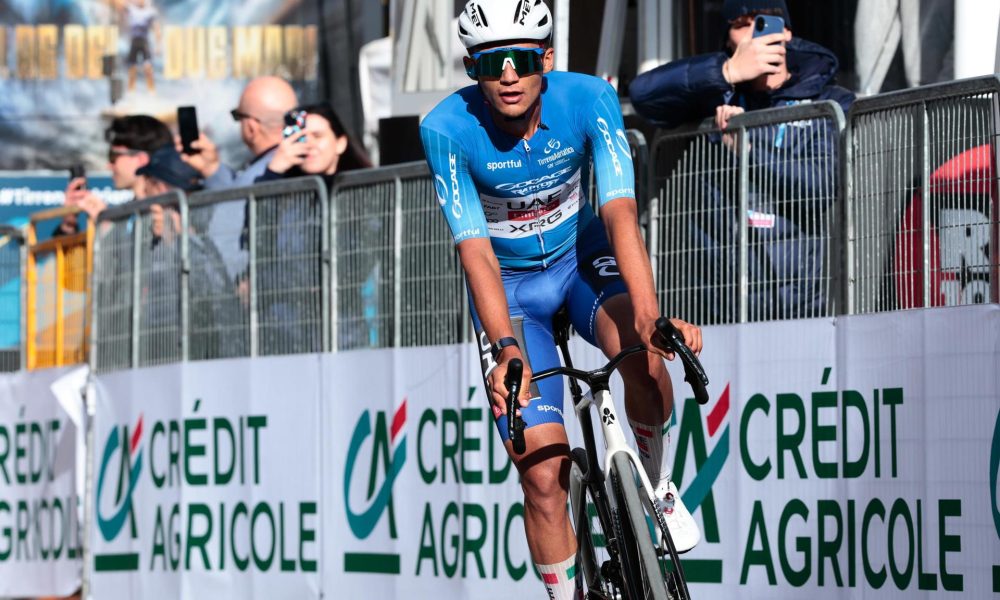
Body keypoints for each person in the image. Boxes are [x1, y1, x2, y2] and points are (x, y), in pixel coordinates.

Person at [420, 2, 703, 598]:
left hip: (581, 261)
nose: (507, 75)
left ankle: (656, 484)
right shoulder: (445, 128)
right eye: (490, 63)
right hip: (512, 290)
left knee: (645, 355)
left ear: (545, 58)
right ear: (472, 68)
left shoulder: (590, 98)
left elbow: (620, 209)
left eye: (521, 59)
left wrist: (650, 313)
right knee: (542, 477)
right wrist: (503, 349)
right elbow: (475, 251)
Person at [628, 0, 855, 321]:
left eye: (760, 22)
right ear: (728, 41)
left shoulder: (829, 101)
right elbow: (642, 94)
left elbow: (823, 184)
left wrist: (748, 147)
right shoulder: (717, 94)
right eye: (739, 24)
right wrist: (726, 71)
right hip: (717, 303)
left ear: (786, 32)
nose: (751, 34)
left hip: (794, 300)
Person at [252, 102, 371, 353]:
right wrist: (274, 171)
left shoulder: (365, 193)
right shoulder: (284, 195)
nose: (309, 144)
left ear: (340, 142)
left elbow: (365, 259)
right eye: (301, 137)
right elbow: (254, 236)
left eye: (317, 136)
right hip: (286, 333)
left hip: (345, 331)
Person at [179, 76, 299, 279]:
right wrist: (213, 170)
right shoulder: (281, 165)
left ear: (252, 126)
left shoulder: (276, 169)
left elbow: (230, 229)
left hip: (259, 296)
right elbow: (235, 202)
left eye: (238, 116)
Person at [59, 114, 173, 235]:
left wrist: (106, 224)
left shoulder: (172, 210)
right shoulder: (128, 212)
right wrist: (69, 223)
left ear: (141, 160)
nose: (109, 165)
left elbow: (172, 252)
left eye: (114, 156)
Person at [116, 0, 161, 93]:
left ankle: (152, 91)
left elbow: (156, 29)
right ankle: (131, 91)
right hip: (134, 42)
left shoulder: (150, 12)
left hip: (144, 42)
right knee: (132, 68)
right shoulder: (132, 9)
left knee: (148, 68)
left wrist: (158, 45)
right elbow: (119, 4)